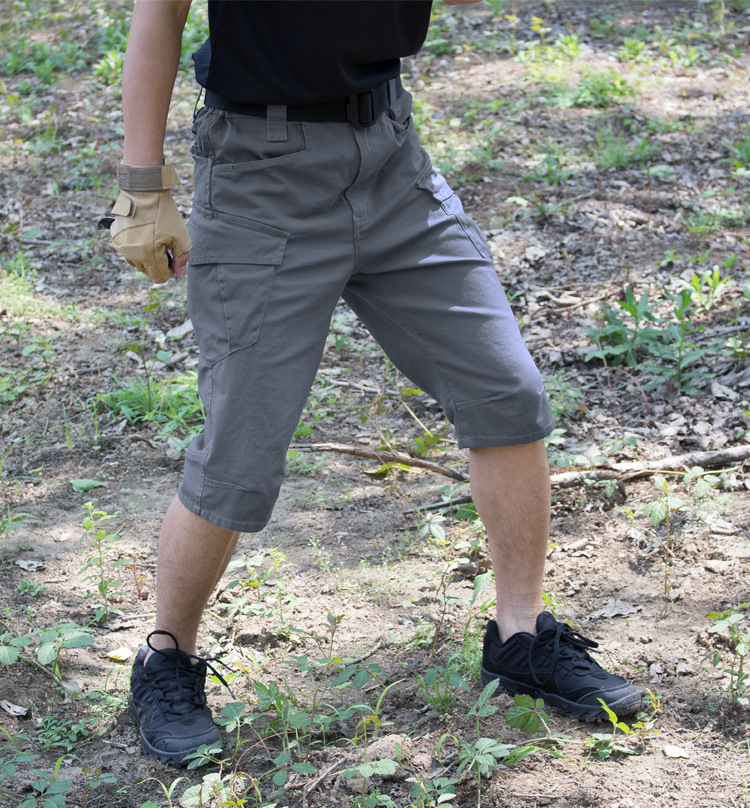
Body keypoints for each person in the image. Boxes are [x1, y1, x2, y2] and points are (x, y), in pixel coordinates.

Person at [110, 0, 641, 767]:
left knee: (506, 393)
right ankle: (166, 660)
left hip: (391, 160)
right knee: (239, 453)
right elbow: (158, 12)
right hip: (260, 176)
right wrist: (142, 183)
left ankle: (520, 639)